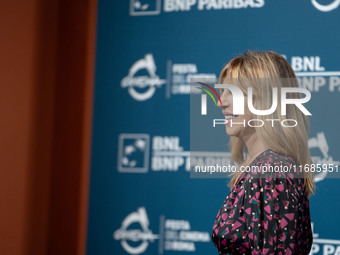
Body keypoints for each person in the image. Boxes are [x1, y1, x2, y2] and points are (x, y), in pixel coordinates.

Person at [211, 50, 314, 255]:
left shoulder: (272, 171)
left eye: (234, 92)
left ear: (265, 101)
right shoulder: (265, 167)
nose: (221, 102)